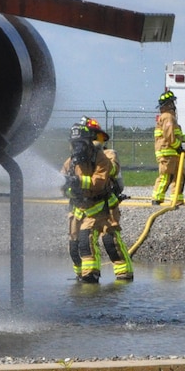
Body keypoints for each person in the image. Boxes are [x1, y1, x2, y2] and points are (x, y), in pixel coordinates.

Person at [82, 116, 134, 281]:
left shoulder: (108, 154)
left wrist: (96, 154)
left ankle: (124, 275)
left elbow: (110, 171)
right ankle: (89, 276)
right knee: (85, 241)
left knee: (110, 241)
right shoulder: (78, 158)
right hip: (87, 208)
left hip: (107, 207)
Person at [61, 122, 114, 283]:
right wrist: (70, 189)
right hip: (77, 209)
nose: (78, 148)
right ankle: (80, 276)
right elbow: (63, 187)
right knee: (74, 248)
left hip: (96, 208)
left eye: (81, 144)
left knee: (86, 241)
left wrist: (78, 181)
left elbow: (99, 182)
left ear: (88, 143)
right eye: (74, 144)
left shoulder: (100, 159)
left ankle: (91, 276)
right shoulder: (70, 162)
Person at [151, 90, 185, 205]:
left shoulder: (169, 117)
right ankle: (156, 199)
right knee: (167, 176)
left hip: (172, 153)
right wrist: (178, 147)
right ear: (169, 104)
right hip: (168, 152)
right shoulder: (168, 117)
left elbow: (176, 135)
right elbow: (169, 136)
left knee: (179, 177)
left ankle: (177, 200)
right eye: (172, 103)